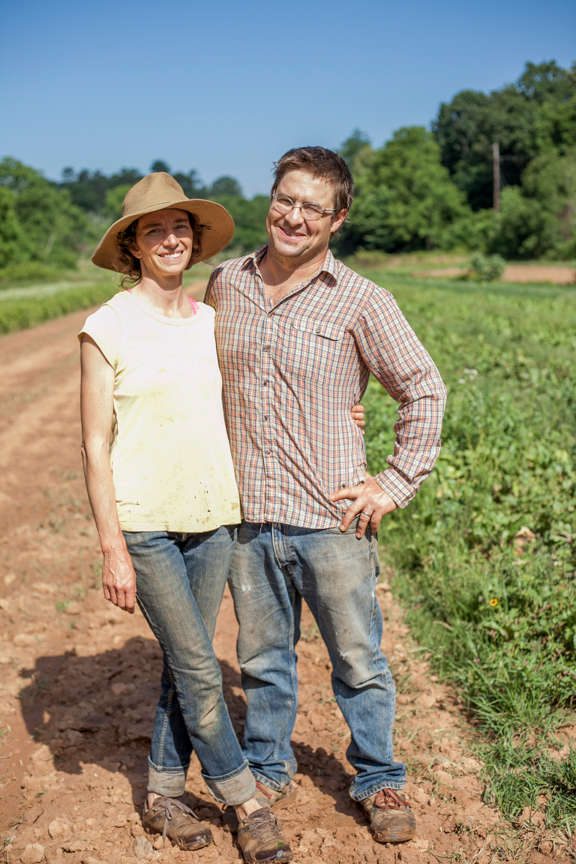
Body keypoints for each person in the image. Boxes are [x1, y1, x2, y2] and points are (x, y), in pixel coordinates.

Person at [205, 146, 447, 845]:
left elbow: (424, 389)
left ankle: (379, 777)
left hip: (333, 520)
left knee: (358, 660)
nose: (294, 216)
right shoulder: (227, 284)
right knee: (262, 658)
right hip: (249, 517)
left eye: (313, 206)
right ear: (270, 198)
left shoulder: (364, 301)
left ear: (338, 218)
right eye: (286, 198)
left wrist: (394, 482)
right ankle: (269, 766)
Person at [79, 172, 293, 863]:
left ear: (192, 242)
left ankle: (164, 792)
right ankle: (245, 800)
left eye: (180, 228)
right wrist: (111, 544)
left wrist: (348, 409)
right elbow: (93, 442)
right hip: (145, 522)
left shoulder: (210, 322)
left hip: (212, 517)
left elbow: (262, 389)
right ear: (132, 248)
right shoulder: (105, 327)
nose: (170, 239)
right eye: (153, 230)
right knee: (202, 667)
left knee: (185, 661)